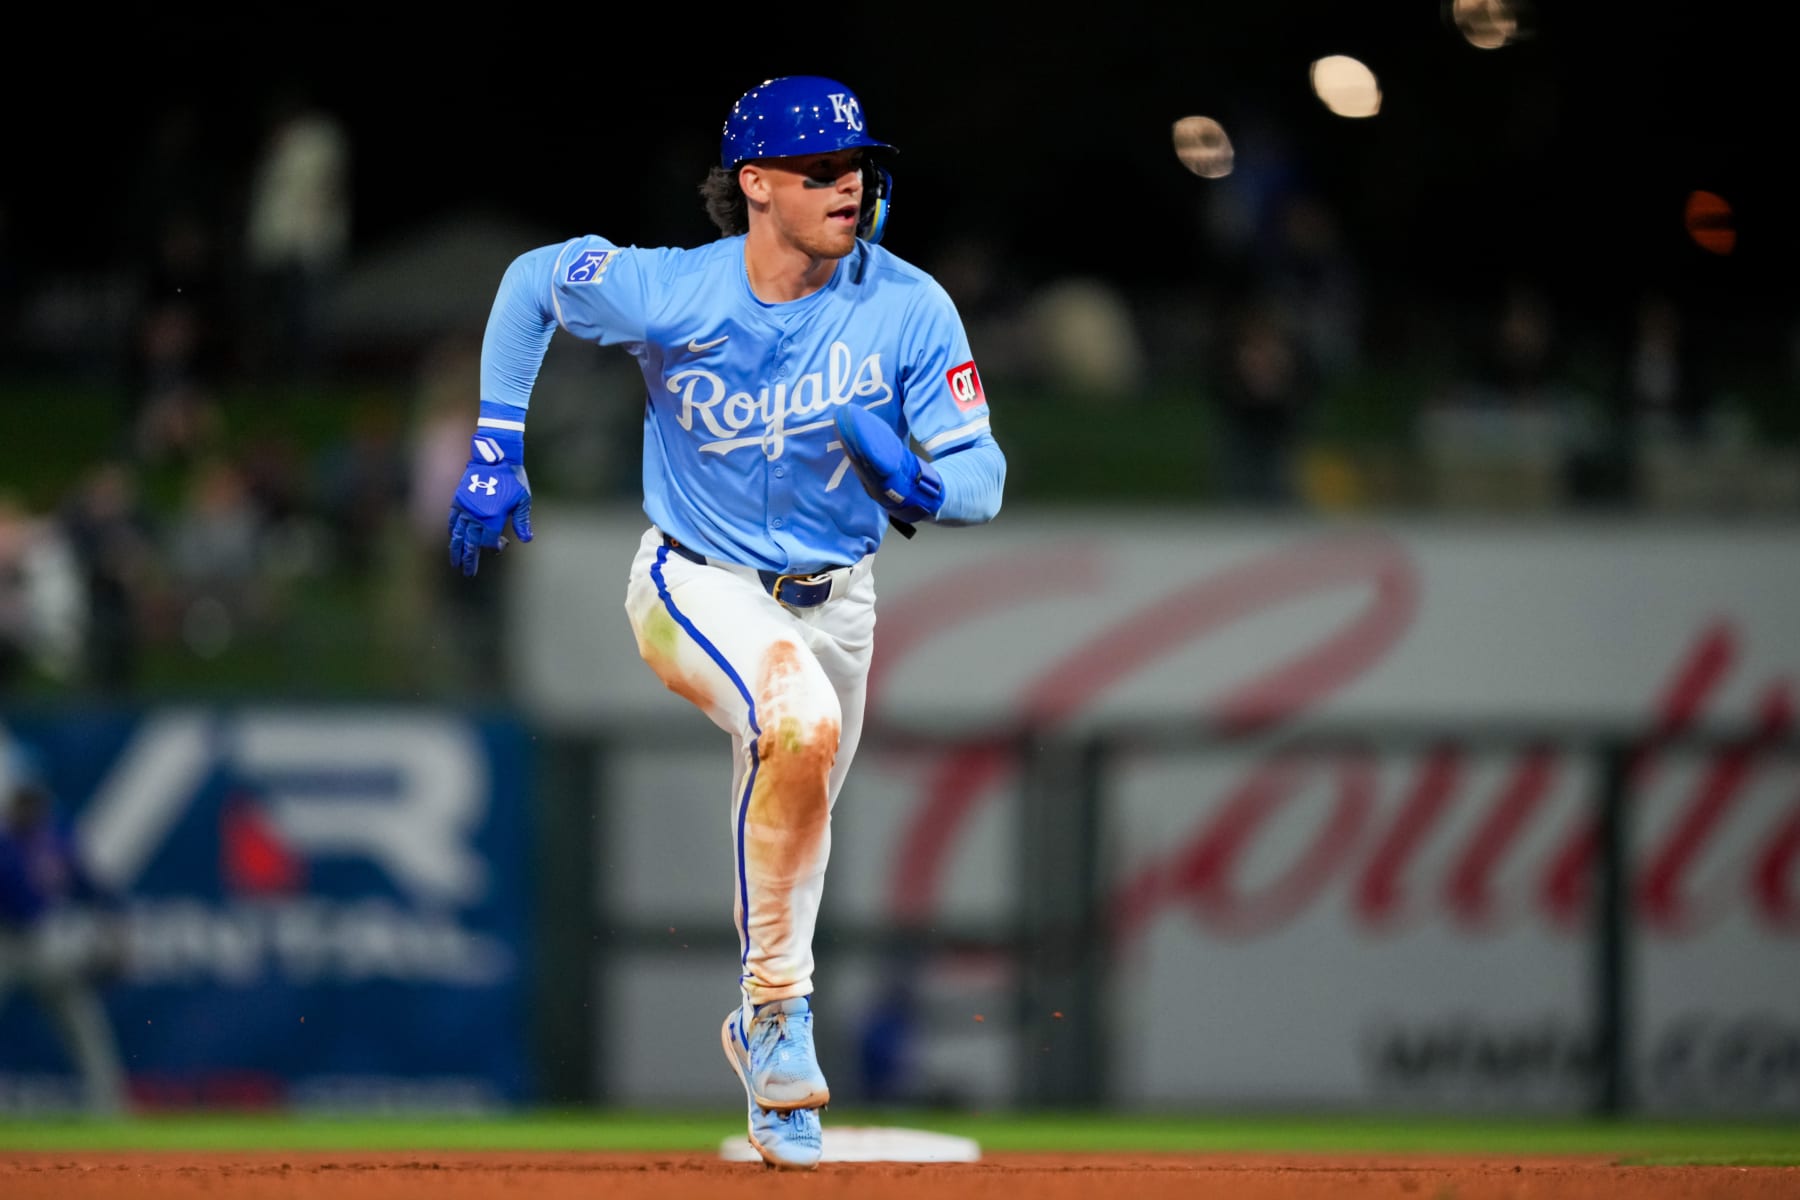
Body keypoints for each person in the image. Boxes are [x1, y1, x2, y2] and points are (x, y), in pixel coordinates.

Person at [445, 75, 1005, 1168]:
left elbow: (982, 469)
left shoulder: (906, 304)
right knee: (794, 723)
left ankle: (767, 1048)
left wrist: (925, 492)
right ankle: (784, 1013)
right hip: (692, 583)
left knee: (802, 806)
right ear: (756, 185)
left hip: (839, 599)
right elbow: (530, 283)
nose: (850, 187)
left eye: (858, 169)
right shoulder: (676, 292)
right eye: (819, 172)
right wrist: (495, 443)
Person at [0, 733, 131, 1116]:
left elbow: (87, 883)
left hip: (42, 941)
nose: (29, 801)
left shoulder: (54, 836)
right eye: (21, 794)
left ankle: (108, 1106)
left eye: (32, 793)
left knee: (82, 1021)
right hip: (3, 939)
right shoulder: (6, 841)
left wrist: (115, 922)